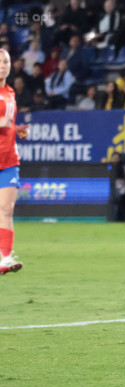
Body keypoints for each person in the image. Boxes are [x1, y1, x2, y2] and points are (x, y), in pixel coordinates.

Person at [0, 49, 30, 274]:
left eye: (6, 61)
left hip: (9, 158)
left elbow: (7, 122)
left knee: (7, 209)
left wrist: (15, 129)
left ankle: (5, 257)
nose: (3, 65)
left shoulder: (9, 91)